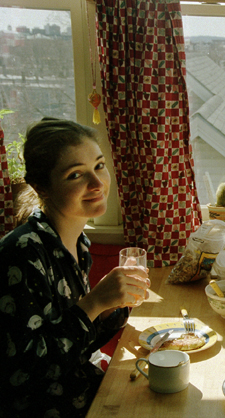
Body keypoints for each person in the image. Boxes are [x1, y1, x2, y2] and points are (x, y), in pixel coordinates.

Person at [0, 118, 151, 417]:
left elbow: (76, 343)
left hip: (84, 387)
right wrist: (93, 302)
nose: (97, 183)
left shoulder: (78, 242)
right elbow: (25, 375)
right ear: (41, 187)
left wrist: (108, 307)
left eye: (99, 166)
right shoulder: (21, 254)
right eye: (75, 174)